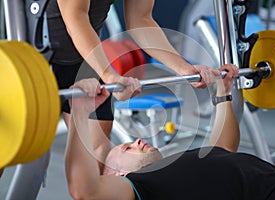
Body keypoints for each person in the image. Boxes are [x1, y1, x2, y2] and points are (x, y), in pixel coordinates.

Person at [65, 64, 275, 200]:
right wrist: (79, 112)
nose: (136, 140)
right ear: (117, 177)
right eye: (126, 148)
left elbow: (224, 148)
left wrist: (223, 92)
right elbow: (85, 191)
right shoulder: (143, 187)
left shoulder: (177, 171)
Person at [46, 0, 211, 169]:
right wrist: (109, 75)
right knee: (37, 161)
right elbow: (76, 18)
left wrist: (184, 68)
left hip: (81, 59)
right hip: (36, 58)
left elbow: (141, 20)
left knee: (97, 160)